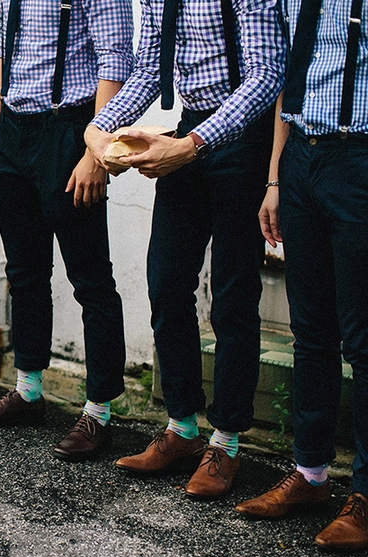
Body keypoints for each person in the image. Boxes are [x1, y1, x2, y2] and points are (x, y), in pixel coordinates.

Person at [85, 0, 285, 497]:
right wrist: (98, 127)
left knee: (234, 297)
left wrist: (192, 143)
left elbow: (266, 74)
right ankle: (183, 429)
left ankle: (227, 441)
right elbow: (150, 68)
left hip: (242, 138)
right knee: (167, 283)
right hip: (190, 131)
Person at [0, 0, 132, 463]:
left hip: (68, 131)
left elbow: (115, 60)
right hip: (15, 130)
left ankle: (98, 412)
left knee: (91, 280)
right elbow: (7, 56)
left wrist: (97, 152)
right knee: (25, 272)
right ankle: (28, 391)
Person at [235, 0, 368, 551]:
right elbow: (290, 81)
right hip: (301, 162)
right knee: (310, 333)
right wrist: (273, 181)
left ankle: (364, 495)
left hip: (358, 159)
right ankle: (311, 474)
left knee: (363, 340)